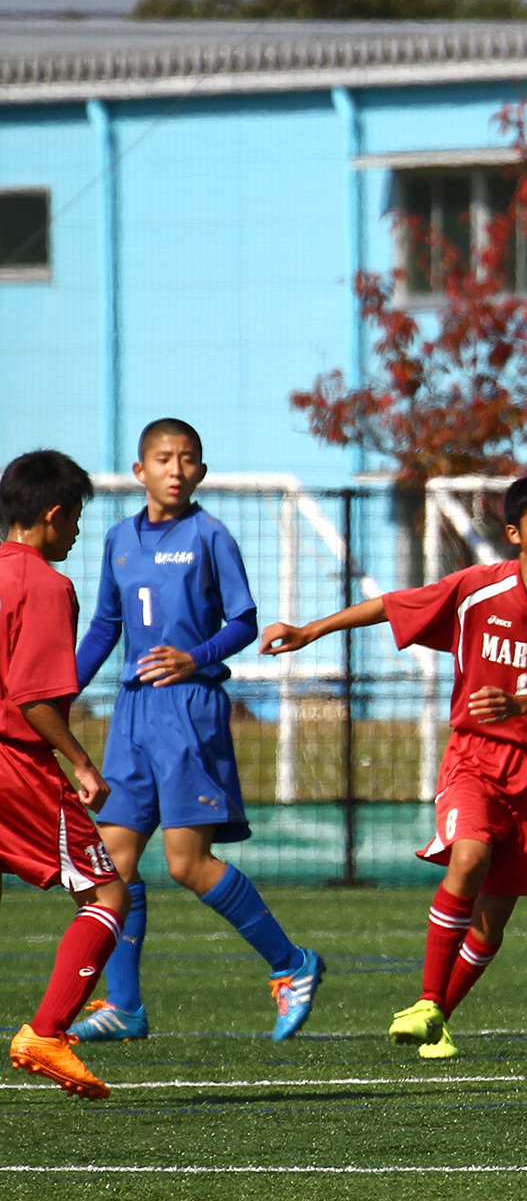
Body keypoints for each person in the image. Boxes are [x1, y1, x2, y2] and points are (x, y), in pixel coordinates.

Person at [260, 472, 527, 1060]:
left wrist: (519, 704)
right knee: (468, 857)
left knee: (492, 923)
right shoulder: (478, 590)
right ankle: (427, 1000)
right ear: (513, 534)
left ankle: (437, 1017)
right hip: (477, 756)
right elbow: (396, 604)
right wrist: (311, 629)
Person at [68, 418, 322, 1045]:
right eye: (163, 458)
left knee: (187, 864)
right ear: (140, 471)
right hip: (132, 713)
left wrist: (195, 657)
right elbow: (104, 628)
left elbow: (244, 621)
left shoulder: (211, 535)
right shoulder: (119, 538)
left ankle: (292, 963)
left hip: (189, 710)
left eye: (187, 459)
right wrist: (58, 693)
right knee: (112, 865)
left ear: (201, 471)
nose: (175, 469)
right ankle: (124, 1006)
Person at [0, 451, 130, 1099]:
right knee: (106, 896)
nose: (77, 533)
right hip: (15, 765)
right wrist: (80, 762)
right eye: (76, 519)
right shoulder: (46, 585)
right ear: (53, 514)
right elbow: (32, 698)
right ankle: (46, 1033)